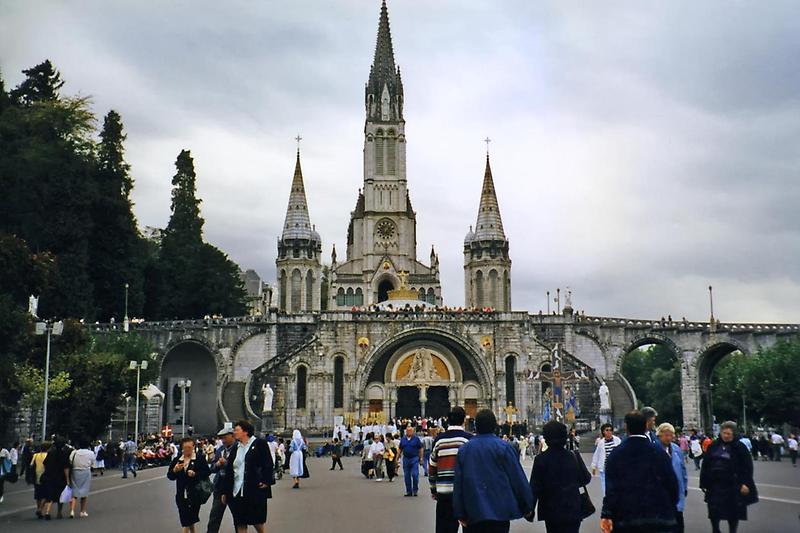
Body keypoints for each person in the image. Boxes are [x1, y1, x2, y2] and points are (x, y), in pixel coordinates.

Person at [453, 409, 533, 532]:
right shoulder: (503, 448)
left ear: (476, 426)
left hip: (473, 513)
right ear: (495, 426)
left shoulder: (464, 450)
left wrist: (460, 512)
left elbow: (458, 484)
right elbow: (517, 479)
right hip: (499, 513)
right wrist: (527, 506)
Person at [600, 410, 678, 533]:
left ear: (626, 427)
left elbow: (612, 489)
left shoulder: (616, 455)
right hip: (657, 517)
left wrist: (607, 514)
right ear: (645, 426)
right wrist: (668, 507)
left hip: (627, 518)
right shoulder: (659, 453)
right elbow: (672, 484)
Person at [528, 420, 592, 533]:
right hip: (572, 507)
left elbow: (535, 487)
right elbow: (586, 478)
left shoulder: (541, 460)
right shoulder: (573, 456)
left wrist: (529, 509)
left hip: (551, 509)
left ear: (546, 438)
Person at [700, 421, 757, 533]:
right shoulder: (713, 446)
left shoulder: (740, 448)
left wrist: (745, 483)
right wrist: (703, 482)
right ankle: (716, 530)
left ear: (733, 434)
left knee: (733, 512)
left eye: (728, 434)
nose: (726, 436)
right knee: (714, 511)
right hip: (715, 485)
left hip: (733, 485)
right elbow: (705, 465)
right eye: (724, 433)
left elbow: (747, 467)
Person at [220, 420, 273, 533]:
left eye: (237, 430)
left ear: (245, 431)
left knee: (256, 521)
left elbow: (268, 464)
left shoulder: (259, 444)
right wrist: (225, 491)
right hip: (237, 491)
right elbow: (230, 470)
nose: (234, 432)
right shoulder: (236, 448)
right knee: (240, 522)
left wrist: (266, 481)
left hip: (253, 490)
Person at [429, 407, 472, 533]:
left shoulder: (439, 440)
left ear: (448, 420)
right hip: (465, 493)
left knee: (444, 529)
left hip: (445, 493)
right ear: (463, 420)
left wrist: (434, 489)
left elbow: (432, 468)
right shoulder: (469, 440)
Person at [168, 437, 210, 533]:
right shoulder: (177, 460)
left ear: (193, 447)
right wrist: (175, 470)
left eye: (190, 447)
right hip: (181, 494)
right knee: (186, 518)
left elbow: (207, 472)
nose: (188, 450)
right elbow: (170, 476)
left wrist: (195, 474)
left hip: (195, 493)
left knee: (189, 518)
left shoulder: (199, 458)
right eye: (185, 447)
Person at [656, 423, 688, 533]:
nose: (668, 437)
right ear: (659, 435)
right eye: (665, 435)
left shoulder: (676, 449)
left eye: (670, 435)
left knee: (678, 521)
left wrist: (685, 487)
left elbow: (683, 470)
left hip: (676, 489)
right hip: (661, 491)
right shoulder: (654, 450)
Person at [207, 427, 237, 533]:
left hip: (233, 487)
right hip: (219, 486)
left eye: (225, 437)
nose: (223, 440)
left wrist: (226, 463)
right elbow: (212, 468)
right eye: (221, 438)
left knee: (237, 516)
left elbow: (239, 467)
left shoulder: (238, 449)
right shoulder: (220, 450)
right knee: (215, 515)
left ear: (232, 436)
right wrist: (218, 464)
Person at [42, 436, 71, 520]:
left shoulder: (51, 453)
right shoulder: (64, 454)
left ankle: (47, 512)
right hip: (60, 477)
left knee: (50, 496)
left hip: (50, 476)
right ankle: (59, 512)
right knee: (60, 496)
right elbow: (66, 468)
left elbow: (45, 463)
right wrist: (68, 480)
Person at [590, 423, 621, 497]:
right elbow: (597, 454)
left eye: (610, 430)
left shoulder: (617, 440)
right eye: (607, 430)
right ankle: (606, 500)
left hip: (615, 467)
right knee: (605, 485)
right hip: (605, 467)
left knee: (615, 485)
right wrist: (594, 466)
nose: (609, 432)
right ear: (603, 432)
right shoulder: (601, 442)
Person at [68, 439, 96, 518]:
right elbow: (93, 463)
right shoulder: (91, 453)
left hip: (75, 471)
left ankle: (72, 510)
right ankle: (82, 511)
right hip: (86, 472)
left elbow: (70, 461)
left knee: (74, 491)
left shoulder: (74, 452)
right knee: (85, 492)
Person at [399, 426, 423, 496]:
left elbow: (421, 448)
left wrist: (421, 458)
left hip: (414, 458)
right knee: (407, 476)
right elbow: (400, 449)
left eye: (410, 431)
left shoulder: (416, 439)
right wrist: (397, 458)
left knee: (415, 474)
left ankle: (415, 490)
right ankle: (408, 491)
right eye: (407, 431)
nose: (409, 432)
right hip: (406, 459)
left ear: (413, 432)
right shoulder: (403, 439)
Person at [31, 442, 50, 519]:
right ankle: (40, 509)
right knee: (46, 494)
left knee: (38, 495)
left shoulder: (36, 455)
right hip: (46, 477)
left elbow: (31, 464)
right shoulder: (48, 455)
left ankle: (39, 509)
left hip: (37, 476)